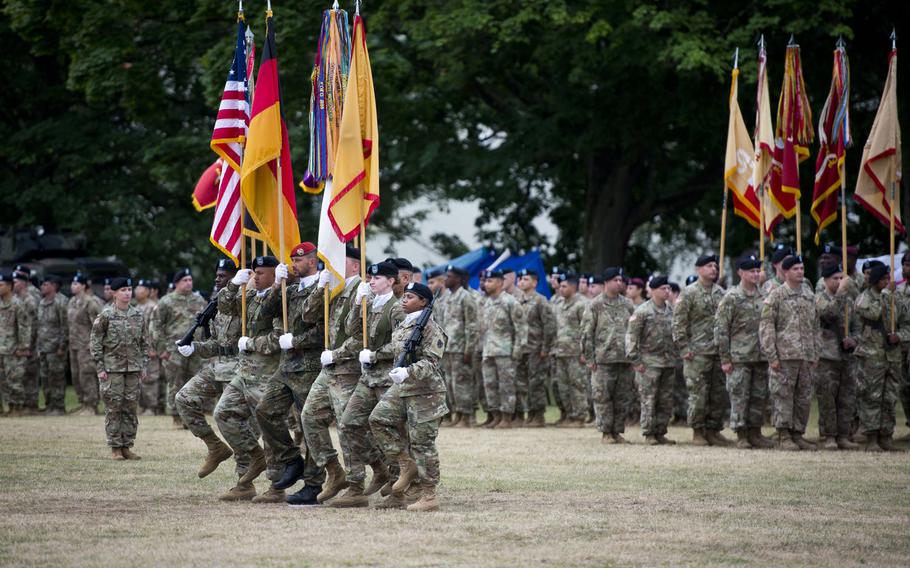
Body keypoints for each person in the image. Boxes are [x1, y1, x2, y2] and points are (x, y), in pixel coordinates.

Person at [249, 244, 327, 504]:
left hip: (310, 365)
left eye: (298, 259)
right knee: (264, 410)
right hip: (287, 366)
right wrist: (276, 285)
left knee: (309, 425)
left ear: (313, 261)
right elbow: (263, 315)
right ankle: (291, 459)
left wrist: (296, 340)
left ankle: (314, 485)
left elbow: (323, 330)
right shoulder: (291, 289)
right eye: (292, 259)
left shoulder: (323, 288)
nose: (293, 263)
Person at [329, 261, 405, 508]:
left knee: (391, 429)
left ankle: (397, 487)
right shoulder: (369, 303)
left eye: (377, 278)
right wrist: (356, 303)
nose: (371, 281)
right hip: (368, 378)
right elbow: (351, 329)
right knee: (348, 423)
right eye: (370, 278)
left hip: (385, 377)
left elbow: (400, 345)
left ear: (391, 281)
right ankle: (355, 485)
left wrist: (375, 354)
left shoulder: (397, 309)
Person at [369, 282, 448, 511]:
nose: (404, 300)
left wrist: (408, 371)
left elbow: (432, 363)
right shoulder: (405, 325)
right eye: (404, 296)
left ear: (423, 302)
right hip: (403, 389)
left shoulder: (431, 328)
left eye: (410, 297)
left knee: (423, 444)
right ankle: (405, 463)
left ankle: (429, 495)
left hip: (426, 392)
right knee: (378, 419)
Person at [300, 246, 363, 504]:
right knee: (309, 416)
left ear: (355, 266)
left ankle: (358, 485)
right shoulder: (333, 288)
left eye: (338, 261)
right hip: (329, 369)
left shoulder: (361, 291)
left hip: (349, 368)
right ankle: (334, 471)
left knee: (349, 426)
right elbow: (308, 315)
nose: (331, 266)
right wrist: (318, 288)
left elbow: (362, 337)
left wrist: (336, 355)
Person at [214, 256, 281, 500]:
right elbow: (225, 307)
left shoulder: (280, 298)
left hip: (266, 374)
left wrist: (251, 342)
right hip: (243, 372)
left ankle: (277, 487)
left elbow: (277, 339)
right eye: (253, 273)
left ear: (274, 274)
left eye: (261, 273)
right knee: (223, 413)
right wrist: (233, 285)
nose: (255, 277)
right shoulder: (250, 295)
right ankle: (254, 459)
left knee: (270, 428)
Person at [174, 259, 241, 480]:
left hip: (243, 366)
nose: (217, 279)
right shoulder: (217, 305)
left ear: (234, 277)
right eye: (217, 275)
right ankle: (215, 447)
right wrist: (194, 347)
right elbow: (215, 343)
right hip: (219, 365)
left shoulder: (245, 299)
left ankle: (245, 475)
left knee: (235, 419)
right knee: (184, 398)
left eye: (222, 275)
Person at [759, 255, 820, 451]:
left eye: (802, 268)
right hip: (784, 356)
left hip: (806, 356)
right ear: (785, 272)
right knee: (783, 396)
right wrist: (772, 356)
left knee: (803, 397)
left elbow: (815, 327)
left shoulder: (809, 296)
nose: (800, 272)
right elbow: (767, 327)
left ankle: (797, 433)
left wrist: (815, 353)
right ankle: (783, 435)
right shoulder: (776, 296)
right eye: (795, 269)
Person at [714, 256, 774, 449]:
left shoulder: (764, 296)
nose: (756, 274)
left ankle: (755, 432)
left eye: (758, 271)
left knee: (758, 396)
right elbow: (721, 330)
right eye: (751, 271)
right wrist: (725, 358)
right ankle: (741, 435)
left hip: (760, 355)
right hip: (739, 357)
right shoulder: (732, 298)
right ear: (740, 273)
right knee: (740, 396)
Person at [673, 254, 729, 446]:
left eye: (715, 266)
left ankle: (713, 430)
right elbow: (678, 323)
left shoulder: (721, 293)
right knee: (698, 394)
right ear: (698, 269)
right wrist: (683, 347)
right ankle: (698, 431)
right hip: (696, 353)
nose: (713, 269)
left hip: (717, 352)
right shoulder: (688, 293)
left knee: (717, 394)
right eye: (708, 266)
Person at [90, 278, 149, 460]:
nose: (127, 293)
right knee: (113, 408)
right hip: (112, 369)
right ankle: (115, 447)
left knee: (130, 408)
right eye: (123, 290)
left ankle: (127, 446)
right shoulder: (106, 315)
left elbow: (144, 343)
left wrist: (143, 365)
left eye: (129, 289)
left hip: (133, 369)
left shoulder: (138, 315)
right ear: (114, 293)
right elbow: (95, 343)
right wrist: (100, 367)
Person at [853, 264, 908, 451]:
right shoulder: (863, 298)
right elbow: (873, 314)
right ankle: (871, 438)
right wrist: (885, 296)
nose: (887, 281)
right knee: (872, 397)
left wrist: (899, 336)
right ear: (876, 280)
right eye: (884, 279)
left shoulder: (894, 300)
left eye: (888, 278)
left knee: (890, 397)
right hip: (871, 356)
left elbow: (907, 324)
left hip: (892, 357)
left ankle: (886, 436)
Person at [582, 267, 634, 443]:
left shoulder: (627, 304)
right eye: (615, 280)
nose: (619, 283)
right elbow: (586, 333)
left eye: (620, 280)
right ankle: (606, 433)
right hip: (603, 359)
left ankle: (617, 431)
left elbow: (634, 331)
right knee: (603, 397)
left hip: (624, 359)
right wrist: (590, 358)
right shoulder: (595, 305)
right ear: (606, 282)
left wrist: (634, 355)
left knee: (622, 398)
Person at [625, 276, 676, 445]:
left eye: (668, 288)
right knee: (649, 399)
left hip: (668, 362)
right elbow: (632, 337)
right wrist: (636, 361)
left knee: (665, 399)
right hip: (649, 363)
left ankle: (661, 432)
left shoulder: (671, 310)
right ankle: (649, 433)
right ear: (653, 290)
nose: (667, 292)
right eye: (663, 289)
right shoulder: (642, 311)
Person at [153, 268, 206, 426]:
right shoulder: (166, 301)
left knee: (194, 383)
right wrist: (161, 349)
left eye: (190, 280)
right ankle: (176, 417)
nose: (189, 283)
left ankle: (191, 417)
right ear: (176, 283)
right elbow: (155, 326)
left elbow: (207, 324)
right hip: (173, 350)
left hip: (195, 348)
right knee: (175, 382)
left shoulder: (199, 300)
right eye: (185, 280)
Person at [815, 263, 859, 450]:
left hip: (846, 357)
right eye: (836, 278)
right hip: (827, 356)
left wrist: (854, 340)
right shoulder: (818, 299)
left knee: (847, 398)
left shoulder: (849, 302)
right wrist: (841, 293)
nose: (840, 282)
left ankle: (843, 434)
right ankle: (829, 436)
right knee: (828, 398)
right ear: (825, 280)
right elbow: (829, 313)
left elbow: (857, 326)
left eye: (842, 278)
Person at [480, 269, 522, 428]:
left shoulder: (510, 302)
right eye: (486, 281)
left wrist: (517, 349)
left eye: (490, 281)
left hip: (505, 350)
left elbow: (520, 327)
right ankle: (496, 416)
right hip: (488, 349)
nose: (486, 284)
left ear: (499, 282)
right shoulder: (487, 302)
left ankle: (506, 418)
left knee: (506, 385)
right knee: (489, 384)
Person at [438, 265, 478, 427]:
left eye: (449, 276)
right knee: (451, 383)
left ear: (458, 279)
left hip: (461, 348)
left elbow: (472, 325)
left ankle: (466, 416)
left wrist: (469, 349)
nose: (446, 279)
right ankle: (457, 414)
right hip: (448, 348)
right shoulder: (446, 297)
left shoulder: (465, 297)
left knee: (462, 383)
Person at [514, 268, 554, 427]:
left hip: (536, 349)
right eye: (520, 279)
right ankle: (528, 413)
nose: (521, 282)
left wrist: (546, 347)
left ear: (534, 282)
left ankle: (538, 415)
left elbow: (549, 326)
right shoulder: (517, 300)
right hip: (521, 348)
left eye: (525, 279)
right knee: (523, 383)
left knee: (536, 382)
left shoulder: (540, 300)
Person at [551, 273, 589, 428]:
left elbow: (587, 329)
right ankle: (569, 415)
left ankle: (579, 417)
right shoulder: (559, 304)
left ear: (573, 287)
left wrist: (584, 351)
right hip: (560, 351)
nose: (561, 289)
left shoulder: (582, 304)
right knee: (563, 386)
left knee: (577, 385)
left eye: (564, 286)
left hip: (575, 352)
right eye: (560, 286)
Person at [67, 273, 103, 415]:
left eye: (76, 284)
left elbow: (99, 324)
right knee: (76, 375)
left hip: (86, 345)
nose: (73, 286)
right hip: (74, 344)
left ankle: (91, 404)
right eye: (72, 283)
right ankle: (82, 403)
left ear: (83, 286)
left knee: (86, 374)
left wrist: (95, 342)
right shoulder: (71, 302)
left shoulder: (90, 302)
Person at [36, 275, 69, 415]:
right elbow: (40, 326)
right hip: (43, 347)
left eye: (45, 284)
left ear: (54, 286)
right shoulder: (42, 302)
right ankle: (49, 405)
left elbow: (65, 326)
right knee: (45, 378)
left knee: (57, 377)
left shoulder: (61, 302)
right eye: (42, 284)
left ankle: (58, 406)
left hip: (56, 348)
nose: (42, 287)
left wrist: (62, 346)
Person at [0, 272, 32, 416]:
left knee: (15, 380)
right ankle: (9, 406)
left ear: (9, 286)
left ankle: (17, 407)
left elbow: (24, 327)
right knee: (3, 381)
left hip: (14, 349)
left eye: (1, 285)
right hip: (1, 348)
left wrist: (23, 347)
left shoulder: (18, 304)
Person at [12, 271, 39, 414]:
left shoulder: (29, 300)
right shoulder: (16, 298)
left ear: (23, 283)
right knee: (21, 375)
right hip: (19, 343)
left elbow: (32, 325)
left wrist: (28, 346)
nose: (13, 284)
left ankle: (31, 405)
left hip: (29, 344)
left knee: (30, 374)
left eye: (15, 282)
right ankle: (23, 405)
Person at [134, 279, 162, 415]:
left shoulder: (153, 307)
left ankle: (152, 407)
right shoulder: (135, 308)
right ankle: (143, 405)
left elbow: (157, 329)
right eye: (137, 288)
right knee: (140, 377)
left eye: (141, 288)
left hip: (150, 348)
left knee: (150, 377)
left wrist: (154, 348)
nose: (137, 291)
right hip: (138, 348)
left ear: (148, 291)